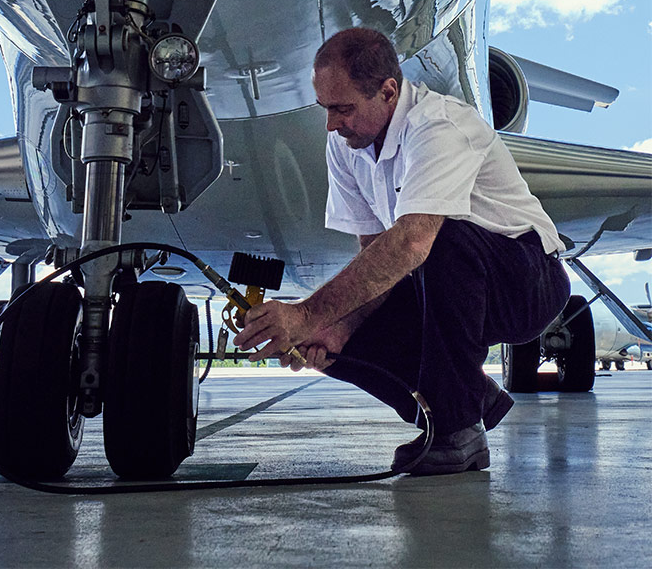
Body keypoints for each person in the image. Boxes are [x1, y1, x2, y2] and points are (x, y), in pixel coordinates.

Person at [235, 26, 570, 475]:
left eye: (343, 108)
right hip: (447, 284)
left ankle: (458, 430)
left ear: (388, 91)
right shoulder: (346, 145)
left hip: (527, 281)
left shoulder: (438, 125)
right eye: (326, 109)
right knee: (336, 332)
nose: (332, 124)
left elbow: (412, 241)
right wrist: (330, 329)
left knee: (436, 236)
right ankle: (459, 405)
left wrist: (304, 313)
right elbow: (376, 259)